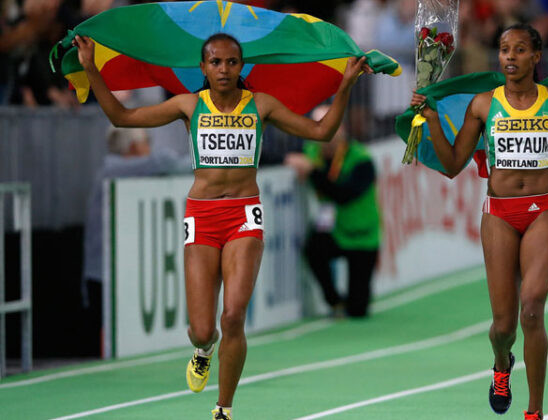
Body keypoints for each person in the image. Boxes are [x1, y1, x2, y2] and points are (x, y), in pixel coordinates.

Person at [74, 32, 371, 420]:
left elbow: (320, 132)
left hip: (244, 215)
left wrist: (345, 86)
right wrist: (91, 69)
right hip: (201, 216)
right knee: (202, 328)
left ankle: (223, 408)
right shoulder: (188, 105)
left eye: (232, 62)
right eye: (215, 62)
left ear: (241, 66)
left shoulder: (260, 105)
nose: (224, 69)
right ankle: (203, 348)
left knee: (232, 316)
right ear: (203, 67)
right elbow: (122, 117)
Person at [410, 23, 548, 420]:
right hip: (499, 215)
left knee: (532, 309)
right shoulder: (483, 105)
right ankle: (501, 364)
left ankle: (535, 411)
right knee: (503, 328)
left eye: (519, 49)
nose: (510, 56)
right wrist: (431, 121)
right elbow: (453, 164)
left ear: (536, 56)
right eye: (504, 49)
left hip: (542, 211)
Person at [81, 126, 191, 355]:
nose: (150, 147)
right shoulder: (114, 169)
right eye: (146, 141)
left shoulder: (119, 169)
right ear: (133, 147)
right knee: (105, 343)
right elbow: (163, 162)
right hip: (102, 275)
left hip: (113, 272)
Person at [284, 105, 380, 318]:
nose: (324, 134)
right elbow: (276, 155)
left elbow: (343, 195)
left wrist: (313, 172)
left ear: (341, 129)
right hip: (334, 230)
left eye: (329, 127)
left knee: (358, 310)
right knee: (314, 249)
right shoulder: (311, 151)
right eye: (317, 127)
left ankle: (351, 302)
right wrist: (288, 160)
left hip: (362, 235)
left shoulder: (361, 159)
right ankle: (333, 299)